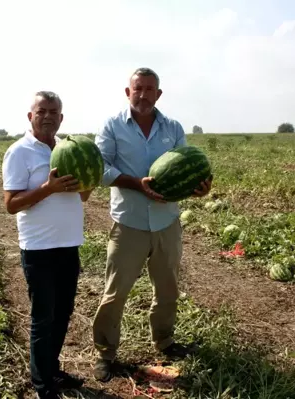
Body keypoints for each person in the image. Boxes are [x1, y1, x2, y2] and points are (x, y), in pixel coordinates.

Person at [91, 68, 213, 381]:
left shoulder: (172, 128)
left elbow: (187, 164)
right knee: (115, 293)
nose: (143, 94)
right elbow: (100, 167)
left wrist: (200, 188)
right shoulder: (113, 126)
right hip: (129, 223)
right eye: (138, 88)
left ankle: (165, 341)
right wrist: (136, 183)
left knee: (168, 289)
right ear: (128, 92)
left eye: (150, 89)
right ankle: (105, 354)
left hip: (166, 222)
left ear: (158, 94)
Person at [2, 91, 91, 398]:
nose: (48, 116)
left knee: (63, 312)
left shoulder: (68, 149)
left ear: (61, 118)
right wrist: (48, 188)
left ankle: (52, 369)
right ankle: (42, 385)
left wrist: (88, 181)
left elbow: (83, 195)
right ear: (31, 116)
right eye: (42, 111)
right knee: (43, 317)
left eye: (54, 111)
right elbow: (11, 204)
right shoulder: (19, 152)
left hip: (69, 244)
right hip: (38, 248)